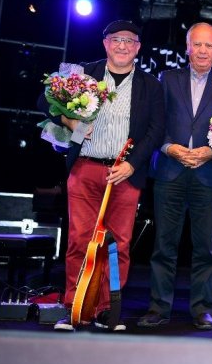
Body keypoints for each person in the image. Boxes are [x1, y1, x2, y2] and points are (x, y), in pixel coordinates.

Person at [41, 19, 165, 331]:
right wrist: (69, 121)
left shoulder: (151, 85)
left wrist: (132, 164)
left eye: (129, 41)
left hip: (125, 174)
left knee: (118, 245)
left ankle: (107, 310)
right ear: (105, 43)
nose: (123, 45)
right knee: (79, 240)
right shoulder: (84, 73)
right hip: (85, 168)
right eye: (116, 39)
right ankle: (74, 308)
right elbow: (44, 100)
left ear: (138, 48)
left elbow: (156, 131)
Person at [138, 22, 212, 330]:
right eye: (197, 44)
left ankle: (202, 309)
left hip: (208, 173)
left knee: (205, 248)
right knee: (164, 245)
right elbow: (156, 121)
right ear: (187, 47)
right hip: (170, 170)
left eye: (209, 45)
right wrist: (169, 148)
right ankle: (158, 307)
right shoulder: (167, 78)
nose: (203, 51)